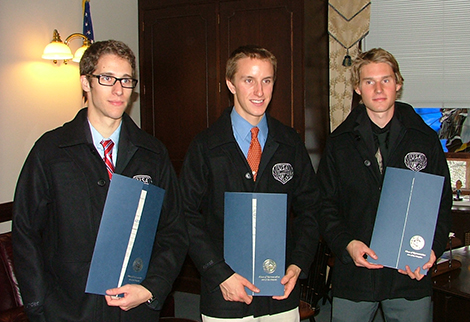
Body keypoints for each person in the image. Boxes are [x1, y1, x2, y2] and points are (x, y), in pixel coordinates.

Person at [12, 40, 188, 322]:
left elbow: (174, 231)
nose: (118, 90)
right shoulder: (51, 151)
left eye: (126, 80)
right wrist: (37, 305)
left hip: (134, 311)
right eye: (107, 78)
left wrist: (152, 288)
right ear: (85, 82)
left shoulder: (153, 153)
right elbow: (26, 233)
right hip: (68, 310)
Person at [179, 45, 321, 321]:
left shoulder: (290, 142)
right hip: (225, 293)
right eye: (249, 80)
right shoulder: (205, 146)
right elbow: (185, 214)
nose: (259, 91)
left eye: (266, 81)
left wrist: (297, 264)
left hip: (280, 291)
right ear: (231, 84)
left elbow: (311, 208)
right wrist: (219, 273)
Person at [316, 47, 452, 322]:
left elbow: (441, 202)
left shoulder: (424, 140)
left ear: (398, 84)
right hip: (355, 276)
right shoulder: (338, 143)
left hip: (410, 276)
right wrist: (346, 244)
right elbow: (323, 204)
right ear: (357, 88)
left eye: (386, 80)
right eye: (369, 81)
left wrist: (432, 250)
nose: (378, 89)